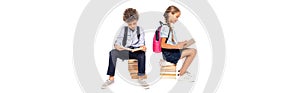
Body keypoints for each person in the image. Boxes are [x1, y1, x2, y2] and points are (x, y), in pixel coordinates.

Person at [101, 8, 149, 89]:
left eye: (134, 23)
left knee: (142, 54)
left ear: (137, 20)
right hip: (125, 51)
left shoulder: (140, 30)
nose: (132, 26)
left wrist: (142, 48)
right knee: (112, 52)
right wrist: (117, 46)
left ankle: (141, 78)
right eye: (130, 24)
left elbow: (141, 44)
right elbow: (118, 42)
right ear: (126, 23)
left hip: (136, 52)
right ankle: (111, 78)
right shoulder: (123, 30)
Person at [160, 5, 197, 82]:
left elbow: (171, 42)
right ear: (170, 14)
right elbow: (162, 44)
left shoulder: (170, 27)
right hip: (170, 54)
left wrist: (181, 43)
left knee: (190, 48)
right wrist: (177, 46)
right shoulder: (166, 28)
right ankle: (181, 74)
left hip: (172, 52)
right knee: (193, 51)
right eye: (176, 16)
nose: (177, 19)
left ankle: (181, 72)